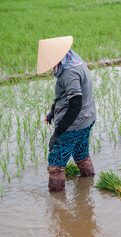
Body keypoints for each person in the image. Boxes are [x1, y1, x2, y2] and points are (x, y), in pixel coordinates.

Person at [37, 36, 96, 192]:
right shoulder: (74, 60)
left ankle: (57, 204)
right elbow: (65, 96)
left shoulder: (69, 72)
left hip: (72, 125)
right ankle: (87, 187)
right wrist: (52, 111)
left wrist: (58, 132)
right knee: (81, 153)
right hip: (86, 120)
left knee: (56, 164)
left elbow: (75, 105)